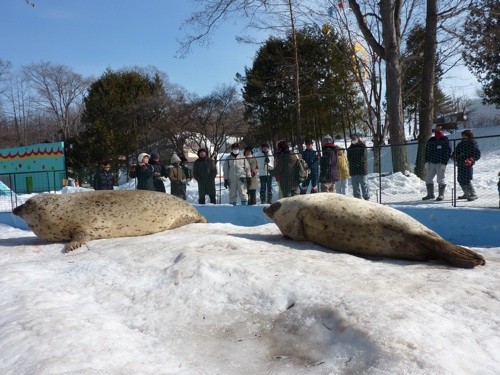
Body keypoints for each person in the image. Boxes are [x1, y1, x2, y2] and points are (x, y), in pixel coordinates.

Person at [422, 126, 452, 201]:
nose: (437, 130)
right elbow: (427, 151)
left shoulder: (445, 140)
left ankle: (441, 195)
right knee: (428, 178)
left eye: (439, 129)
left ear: (443, 130)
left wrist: (444, 163)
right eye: (436, 129)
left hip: (440, 163)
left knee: (440, 179)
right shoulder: (431, 140)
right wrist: (426, 161)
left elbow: (447, 152)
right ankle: (430, 194)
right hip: (431, 162)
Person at [452, 129, 481, 201]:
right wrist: (453, 156)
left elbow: (476, 154)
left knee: (467, 179)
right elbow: (456, 152)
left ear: (469, 136)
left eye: (465, 136)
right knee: (460, 179)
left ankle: (473, 194)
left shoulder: (472, 143)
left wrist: (471, 159)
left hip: (468, 164)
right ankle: (466, 193)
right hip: (460, 163)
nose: (463, 137)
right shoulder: (460, 144)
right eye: (462, 136)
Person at [347, 134, 370, 200]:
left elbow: (363, 157)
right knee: (355, 185)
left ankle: (366, 197)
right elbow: (349, 157)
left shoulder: (362, 146)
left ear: (358, 139)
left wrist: (356, 161)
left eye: (354, 139)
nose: (353, 140)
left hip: (362, 169)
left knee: (364, 184)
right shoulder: (350, 148)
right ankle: (357, 198)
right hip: (353, 169)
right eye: (352, 139)